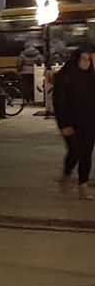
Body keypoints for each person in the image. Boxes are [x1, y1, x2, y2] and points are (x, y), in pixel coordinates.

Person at [55, 49, 94, 196]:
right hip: (70, 122)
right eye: (83, 59)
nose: (86, 62)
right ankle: (67, 174)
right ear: (76, 60)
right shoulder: (65, 76)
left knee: (86, 153)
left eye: (88, 60)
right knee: (75, 151)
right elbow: (59, 103)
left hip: (89, 122)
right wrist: (64, 124)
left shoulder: (91, 77)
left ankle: (83, 186)